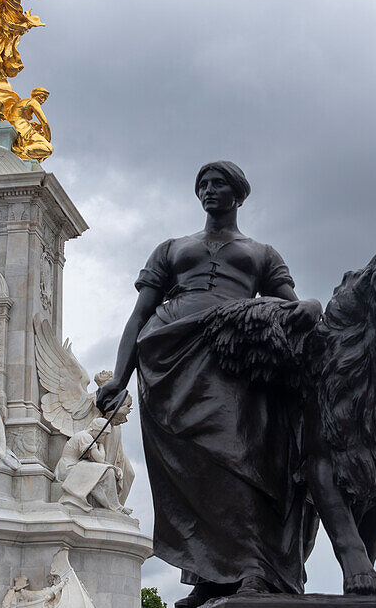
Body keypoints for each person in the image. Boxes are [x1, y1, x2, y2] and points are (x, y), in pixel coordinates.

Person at [96, 161, 321, 606]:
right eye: (203, 184)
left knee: (239, 457)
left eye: (219, 184)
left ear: (238, 194)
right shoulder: (172, 248)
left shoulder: (261, 253)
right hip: (169, 359)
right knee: (190, 468)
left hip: (231, 354)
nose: (209, 190)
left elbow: (289, 306)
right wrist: (118, 378)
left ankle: (255, 566)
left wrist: (311, 304)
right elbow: (139, 315)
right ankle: (209, 574)